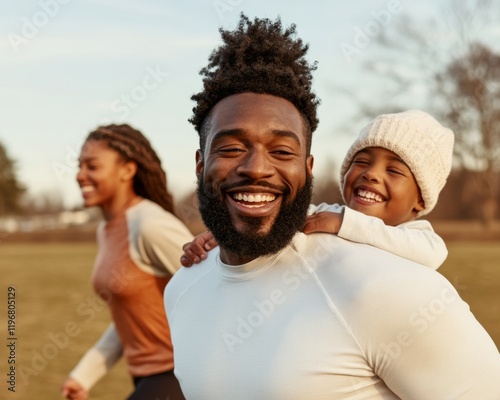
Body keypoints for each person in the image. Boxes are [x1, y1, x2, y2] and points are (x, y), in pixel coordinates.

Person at [164, 13, 500, 399]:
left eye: (281, 150)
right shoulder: (182, 288)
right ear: (200, 163)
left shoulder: (393, 288)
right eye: (232, 147)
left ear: (307, 168)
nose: (256, 167)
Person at [181, 109, 452, 272]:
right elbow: (271, 220)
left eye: (393, 171)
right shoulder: (324, 215)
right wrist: (220, 235)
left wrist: (347, 224)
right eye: (361, 162)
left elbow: (432, 254)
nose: (371, 174)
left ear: (420, 199)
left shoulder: (417, 237)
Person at [61, 124, 193, 400]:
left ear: (127, 170)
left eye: (92, 166)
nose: (80, 175)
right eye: (79, 165)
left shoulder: (150, 225)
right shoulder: (107, 230)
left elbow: (212, 288)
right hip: (148, 378)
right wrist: (84, 375)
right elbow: (129, 318)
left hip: (178, 376)